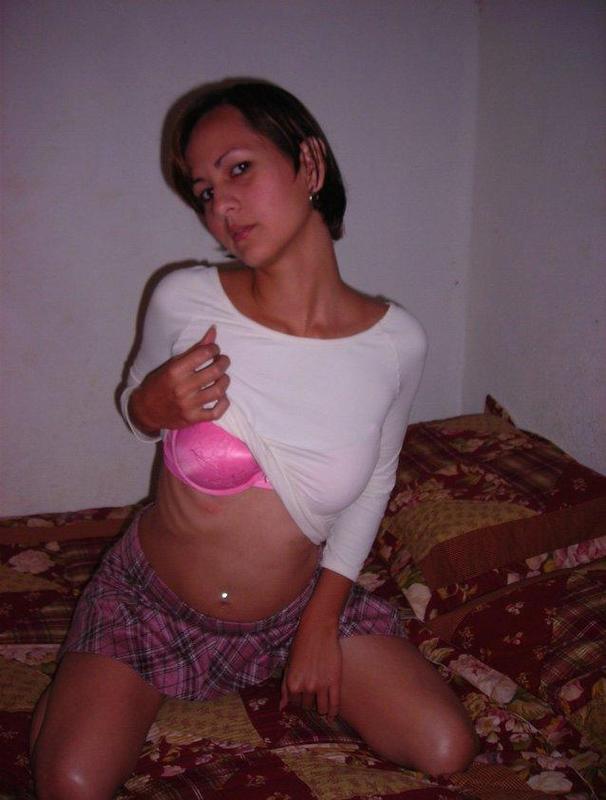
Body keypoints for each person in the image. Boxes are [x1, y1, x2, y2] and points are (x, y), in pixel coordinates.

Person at [30, 80, 477, 799]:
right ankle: (88, 679)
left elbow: (375, 483)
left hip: (295, 610)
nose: (222, 208)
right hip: (152, 606)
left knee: (446, 747)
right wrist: (151, 404)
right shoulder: (186, 298)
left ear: (310, 164)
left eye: (239, 169)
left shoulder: (396, 343)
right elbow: (135, 408)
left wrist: (319, 626)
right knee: (72, 785)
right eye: (204, 191)